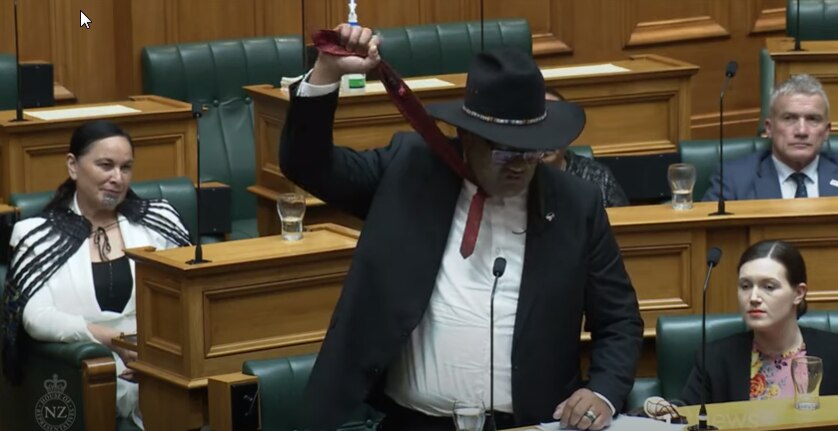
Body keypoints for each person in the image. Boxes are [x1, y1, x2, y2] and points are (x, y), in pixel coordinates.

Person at [280, 24, 643, 431]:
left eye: (532, 150)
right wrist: (328, 71)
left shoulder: (577, 203)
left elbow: (619, 320)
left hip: (530, 424)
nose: (522, 165)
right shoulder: (409, 169)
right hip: (415, 423)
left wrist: (604, 391)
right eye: (505, 152)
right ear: (467, 136)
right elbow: (308, 165)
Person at [0, 120, 191, 429]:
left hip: (160, 368)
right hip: (86, 367)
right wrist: (113, 341)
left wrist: (160, 357)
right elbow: (36, 317)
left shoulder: (159, 219)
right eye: (106, 165)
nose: (117, 178)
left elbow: (185, 298)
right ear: (73, 166)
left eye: (126, 167)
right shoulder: (35, 234)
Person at [681, 240, 838, 405]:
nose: (754, 298)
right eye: (745, 286)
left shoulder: (834, 351)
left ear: (798, 293)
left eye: (769, 287)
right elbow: (685, 419)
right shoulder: (715, 358)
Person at [703, 74, 836, 201]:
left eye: (812, 119)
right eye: (789, 118)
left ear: (826, 131)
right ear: (769, 128)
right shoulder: (733, 179)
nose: (801, 131)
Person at [543, 89, 629, 207]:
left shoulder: (598, 176)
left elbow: (622, 219)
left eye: (553, 129)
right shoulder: (516, 178)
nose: (546, 141)